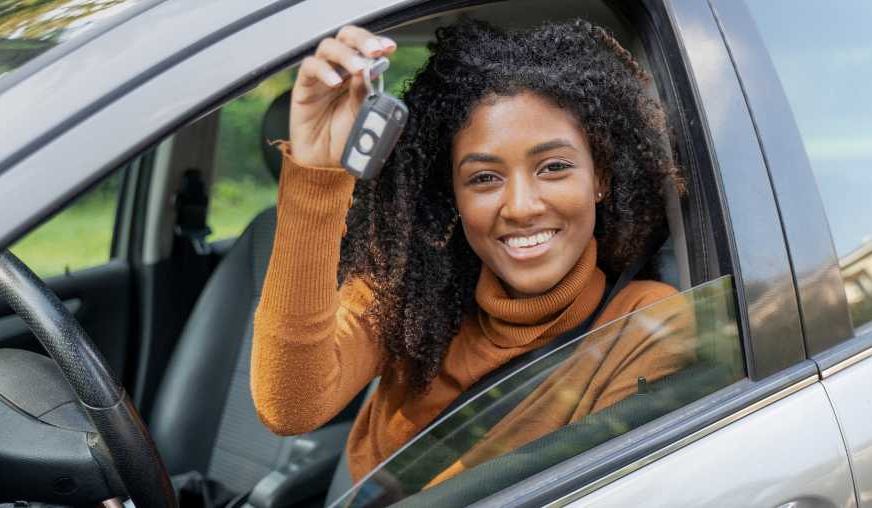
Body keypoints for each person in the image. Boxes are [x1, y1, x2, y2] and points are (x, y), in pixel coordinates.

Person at [251, 17, 694, 488]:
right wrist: (319, 175)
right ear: (454, 195)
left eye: (555, 167)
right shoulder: (409, 291)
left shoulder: (645, 325)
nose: (521, 207)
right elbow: (289, 405)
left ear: (600, 178)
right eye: (484, 177)